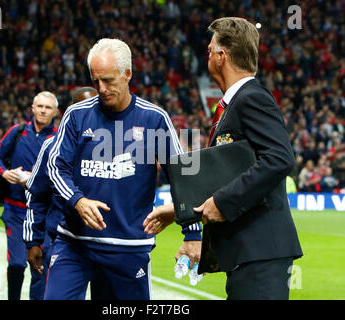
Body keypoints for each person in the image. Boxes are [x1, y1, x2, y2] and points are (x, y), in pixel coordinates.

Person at [144, 17, 303, 300]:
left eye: (209, 50)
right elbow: (229, 175)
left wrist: (221, 203)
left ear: (221, 55)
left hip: (261, 253)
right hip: (248, 254)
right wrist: (179, 211)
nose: (207, 56)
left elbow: (279, 158)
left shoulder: (252, 97)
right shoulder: (234, 104)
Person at [45, 38, 201, 300]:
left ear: (127, 74)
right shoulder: (76, 115)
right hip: (75, 245)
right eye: (95, 81)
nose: (101, 89)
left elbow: (184, 173)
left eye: (108, 80)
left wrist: (193, 233)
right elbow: (55, 167)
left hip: (128, 249)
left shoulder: (155, 119)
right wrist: (78, 201)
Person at [0, 91, 58, 300]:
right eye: (40, 106)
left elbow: (62, 173)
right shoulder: (17, 132)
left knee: (40, 267)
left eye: (48, 107)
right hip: (15, 211)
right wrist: (4, 172)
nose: (43, 110)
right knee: (17, 264)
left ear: (55, 112)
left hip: (43, 214)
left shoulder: (57, 138)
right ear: (33, 108)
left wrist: (36, 180)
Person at [24, 87, 98, 278]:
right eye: (82, 106)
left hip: (102, 241)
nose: (88, 111)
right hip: (58, 239)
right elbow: (35, 194)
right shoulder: (52, 146)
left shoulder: (110, 147)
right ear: (72, 110)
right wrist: (33, 242)